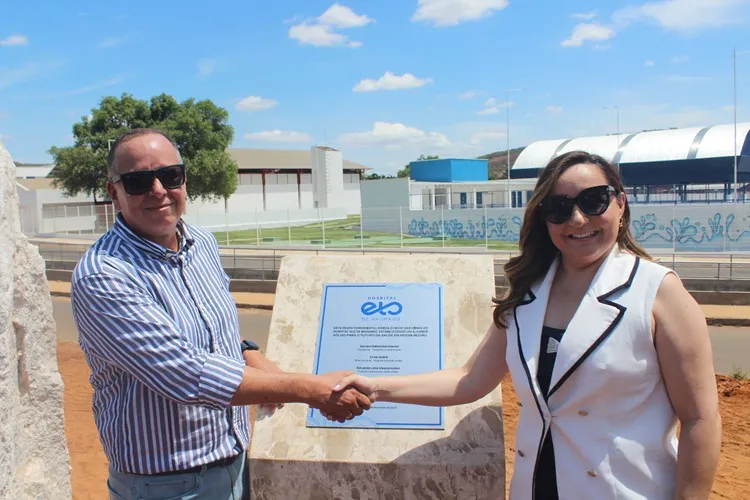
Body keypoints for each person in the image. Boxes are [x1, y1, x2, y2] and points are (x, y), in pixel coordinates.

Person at [329, 151, 722, 499]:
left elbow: (700, 418)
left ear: (621, 203)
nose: (578, 219)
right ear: (544, 218)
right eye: (559, 208)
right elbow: (468, 380)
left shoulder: (658, 291)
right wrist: (375, 387)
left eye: (594, 201)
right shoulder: (527, 293)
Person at [70, 128, 370, 500]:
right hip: (166, 487)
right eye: (138, 181)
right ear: (113, 191)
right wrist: (308, 389)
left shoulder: (202, 244)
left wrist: (249, 352)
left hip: (236, 465)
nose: (159, 190)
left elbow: (210, 330)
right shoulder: (104, 274)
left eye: (170, 175)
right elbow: (183, 373)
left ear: (184, 178)